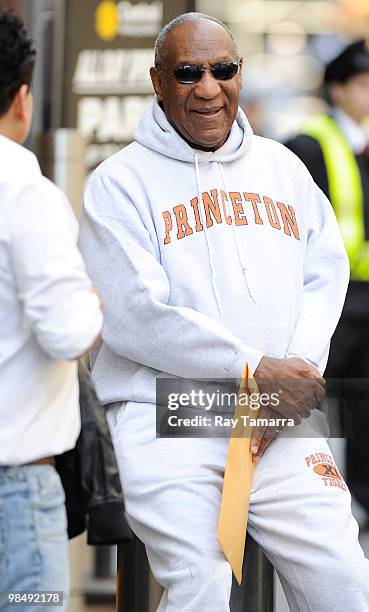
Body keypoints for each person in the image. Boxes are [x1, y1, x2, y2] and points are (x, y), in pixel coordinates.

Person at [80, 13, 369, 611]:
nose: (208, 87)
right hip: (167, 413)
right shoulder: (118, 182)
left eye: (223, 70)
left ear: (240, 73)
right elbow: (136, 315)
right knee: (202, 582)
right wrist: (254, 371)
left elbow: (326, 269)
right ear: (157, 81)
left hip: (276, 415)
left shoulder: (282, 167)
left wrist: (294, 373)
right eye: (188, 72)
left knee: (344, 576)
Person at [0, 9, 103, 611]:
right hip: (15, 486)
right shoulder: (24, 191)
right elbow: (68, 331)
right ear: (21, 99)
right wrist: (92, 302)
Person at [286, 39, 369, 531]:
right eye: (363, 85)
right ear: (337, 90)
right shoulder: (309, 143)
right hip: (329, 297)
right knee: (306, 403)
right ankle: (298, 502)